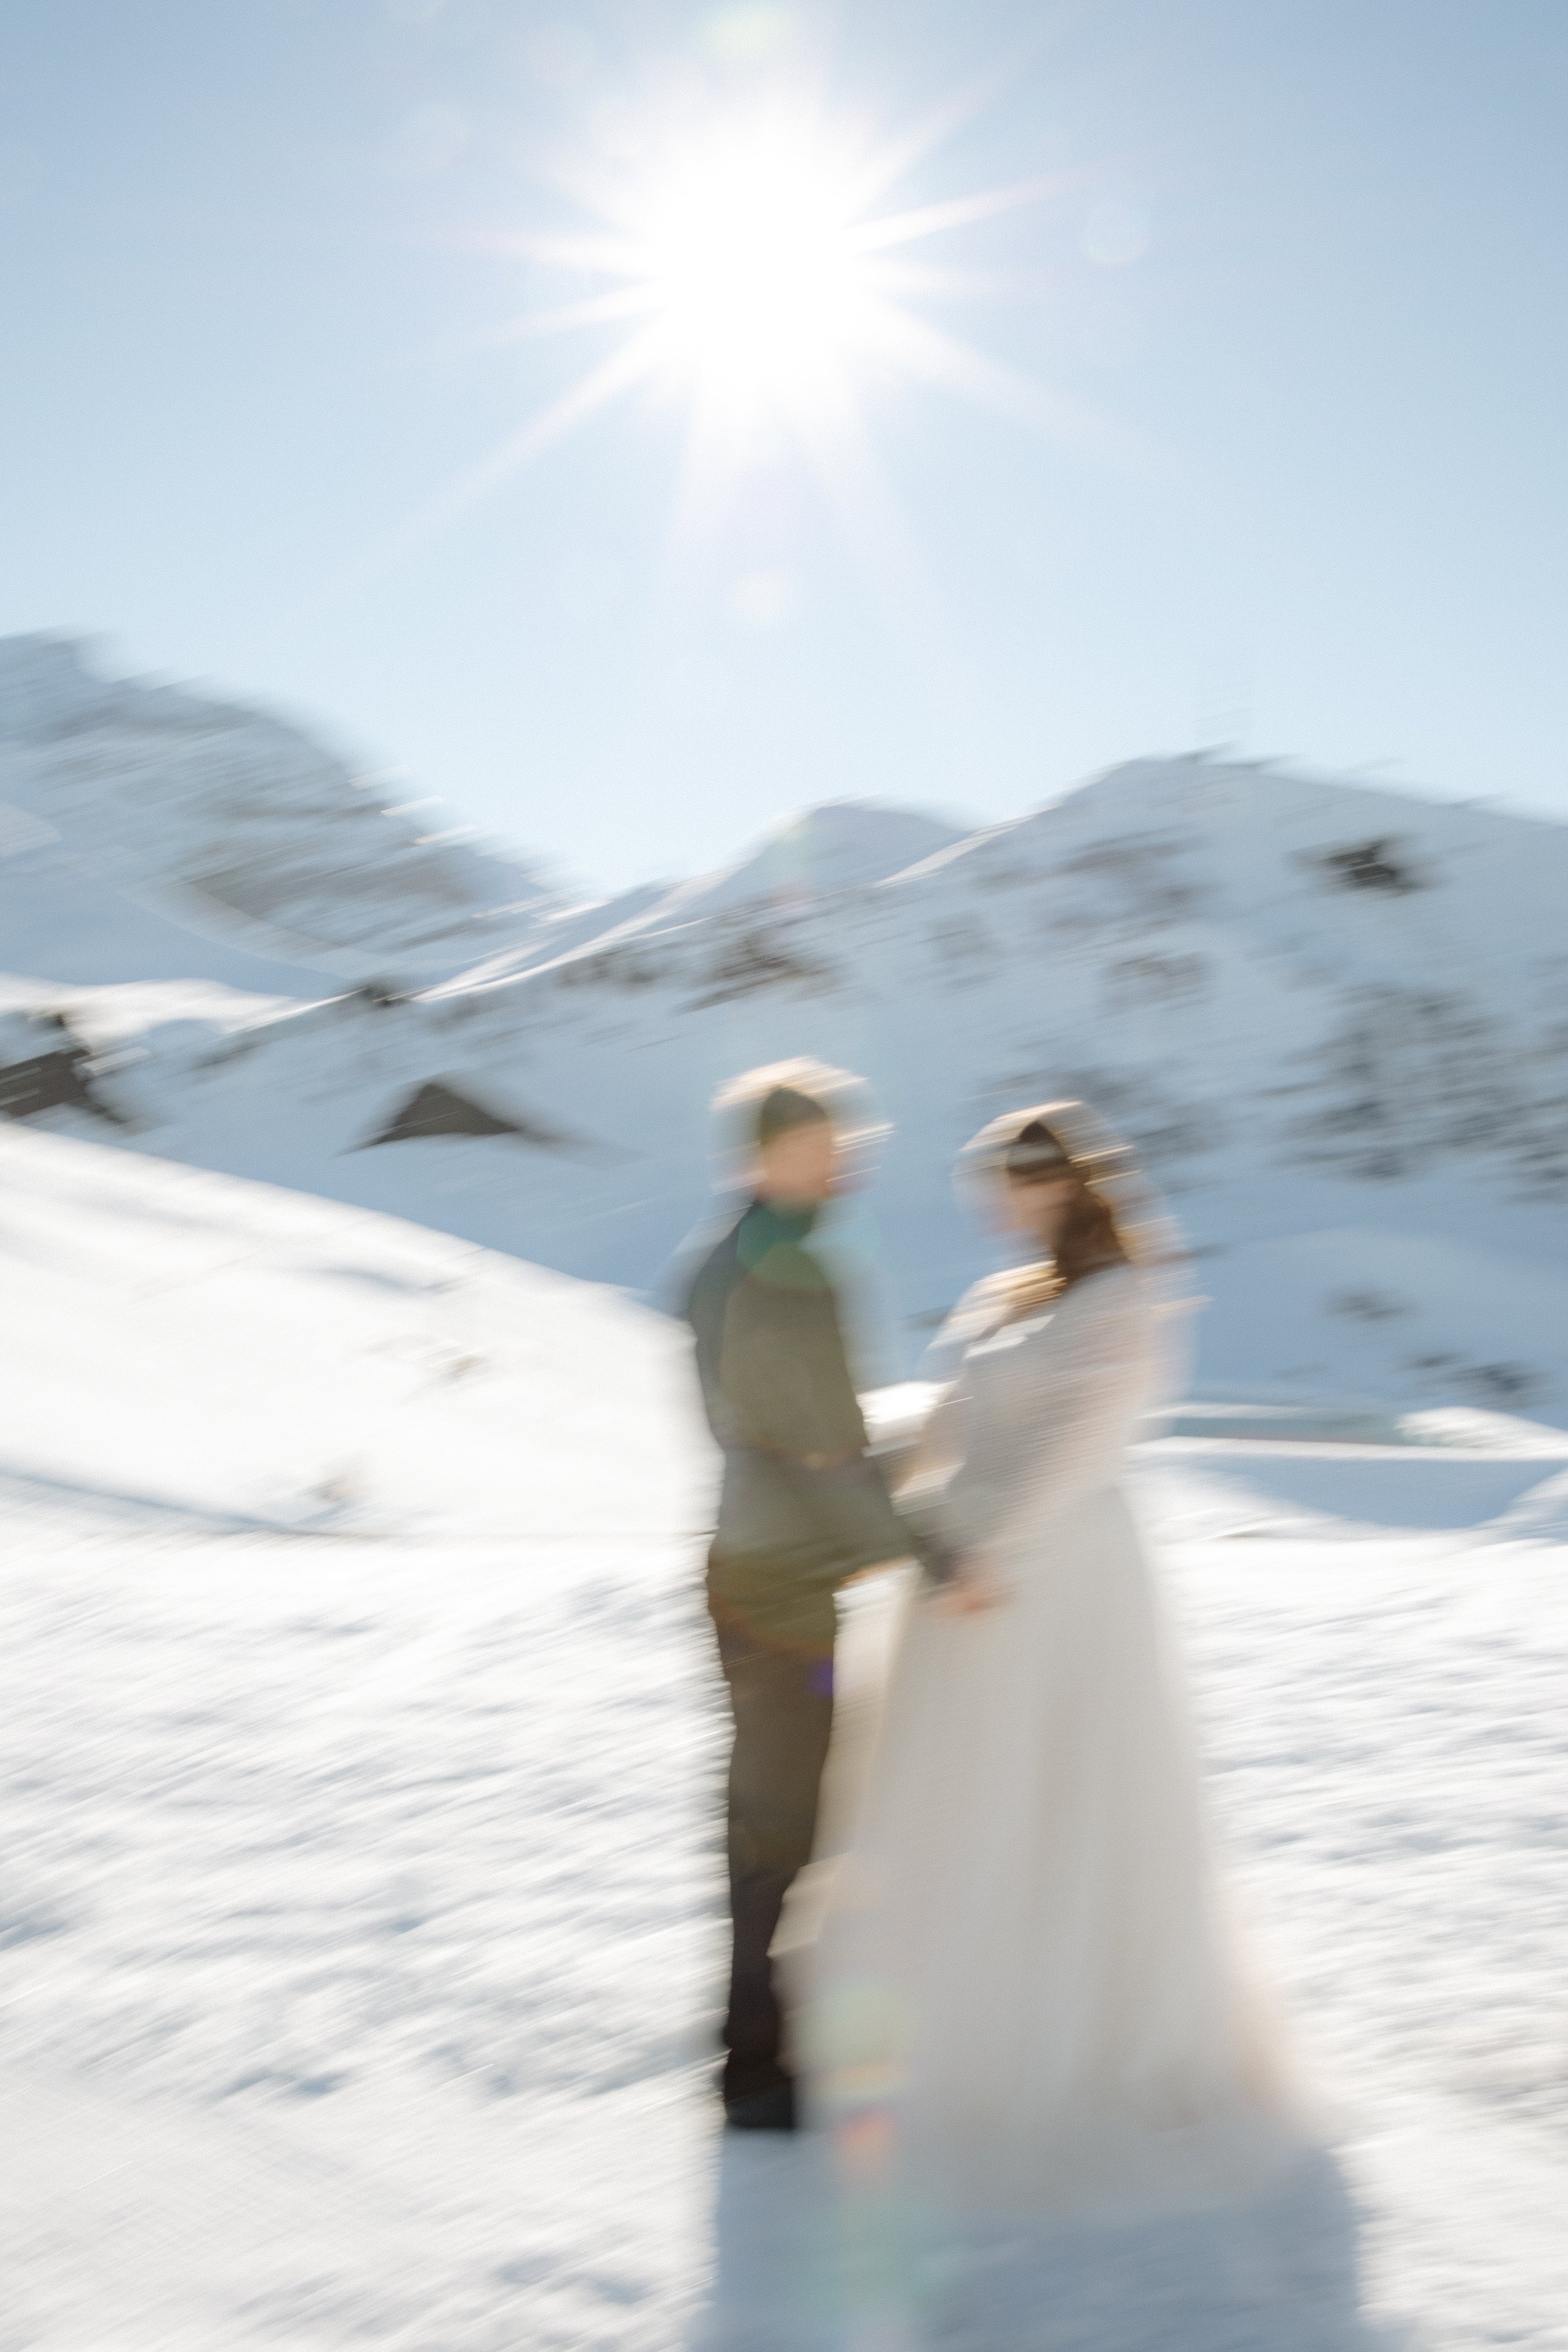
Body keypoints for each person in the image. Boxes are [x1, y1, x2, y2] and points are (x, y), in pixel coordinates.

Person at [806, 1102, 1304, 2214]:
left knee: (1056, 1798)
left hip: (1053, 1581)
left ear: (1058, 1184)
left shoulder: (1126, 1298)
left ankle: (1070, 2045)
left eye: (1003, 1182)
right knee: (959, 1797)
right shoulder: (1015, 1289)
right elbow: (952, 1417)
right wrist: (854, 1484)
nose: (990, 1203)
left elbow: (1074, 1445)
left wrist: (983, 1547)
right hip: (965, 1564)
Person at [683, 1061, 945, 2132]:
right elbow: (821, 1446)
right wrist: (930, 1551)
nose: (847, 1163)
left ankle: (756, 2044)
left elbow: (785, 1433)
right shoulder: (789, 1270)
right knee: (782, 1825)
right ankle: (755, 2067)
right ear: (777, 1152)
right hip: (780, 1583)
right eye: (830, 1145)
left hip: (754, 1567)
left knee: (768, 1818)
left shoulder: (722, 1260)